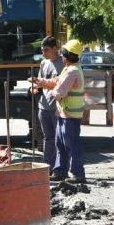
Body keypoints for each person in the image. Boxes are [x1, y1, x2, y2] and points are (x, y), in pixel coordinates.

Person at [34, 39, 86, 184]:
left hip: (71, 115)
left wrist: (51, 90)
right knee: (60, 144)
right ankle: (60, 171)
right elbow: (57, 81)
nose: (61, 56)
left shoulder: (73, 71)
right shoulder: (68, 69)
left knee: (72, 144)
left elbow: (59, 91)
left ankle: (78, 173)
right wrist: (42, 83)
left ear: (68, 56)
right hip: (64, 113)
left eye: (63, 54)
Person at [30, 36, 64, 172]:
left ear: (55, 49)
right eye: (42, 50)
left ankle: (60, 168)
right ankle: (48, 167)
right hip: (43, 107)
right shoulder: (44, 63)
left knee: (59, 139)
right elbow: (40, 81)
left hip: (57, 107)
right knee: (48, 138)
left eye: (46, 50)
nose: (43, 53)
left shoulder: (63, 63)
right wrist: (34, 87)